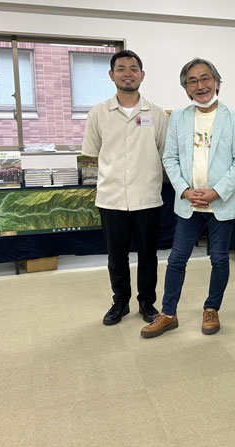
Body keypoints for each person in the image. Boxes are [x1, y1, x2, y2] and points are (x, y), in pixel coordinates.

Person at [141, 58, 235, 338]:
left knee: (219, 260)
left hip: (221, 203)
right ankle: (168, 313)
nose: (200, 85)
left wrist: (216, 192)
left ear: (216, 82)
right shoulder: (178, 117)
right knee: (177, 259)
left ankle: (211, 309)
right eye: (192, 81)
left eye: (205, 78)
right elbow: (170, 158)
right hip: (189, 203)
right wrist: (184, 190)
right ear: (186, 88)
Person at [82, 50, 168, 326]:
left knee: (148, 255)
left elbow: (166, 154)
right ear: (111, 75)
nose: (127, 74)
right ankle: (120, 302)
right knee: (116, 255)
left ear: (142, 75)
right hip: (111, 198)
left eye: (133, 69)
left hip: (147, 197)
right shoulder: (98, 113)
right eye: (121, 69)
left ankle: (147, 302)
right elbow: (89, 156)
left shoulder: (156, 113)